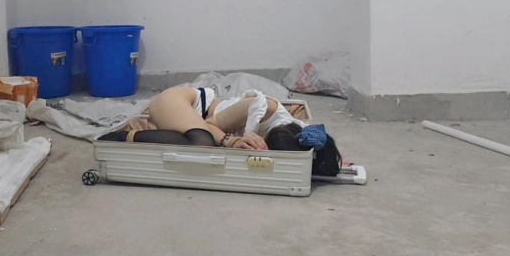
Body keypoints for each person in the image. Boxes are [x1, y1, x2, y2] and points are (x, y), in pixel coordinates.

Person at [98, 86, 342, 176]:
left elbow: (322, 155)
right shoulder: (263, 108)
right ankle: (122, 137)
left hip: (192, 124)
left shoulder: (301, 135)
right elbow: (211, 124)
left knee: (202, 142)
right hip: (181, 103)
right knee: (203, 143)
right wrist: (231, 142)